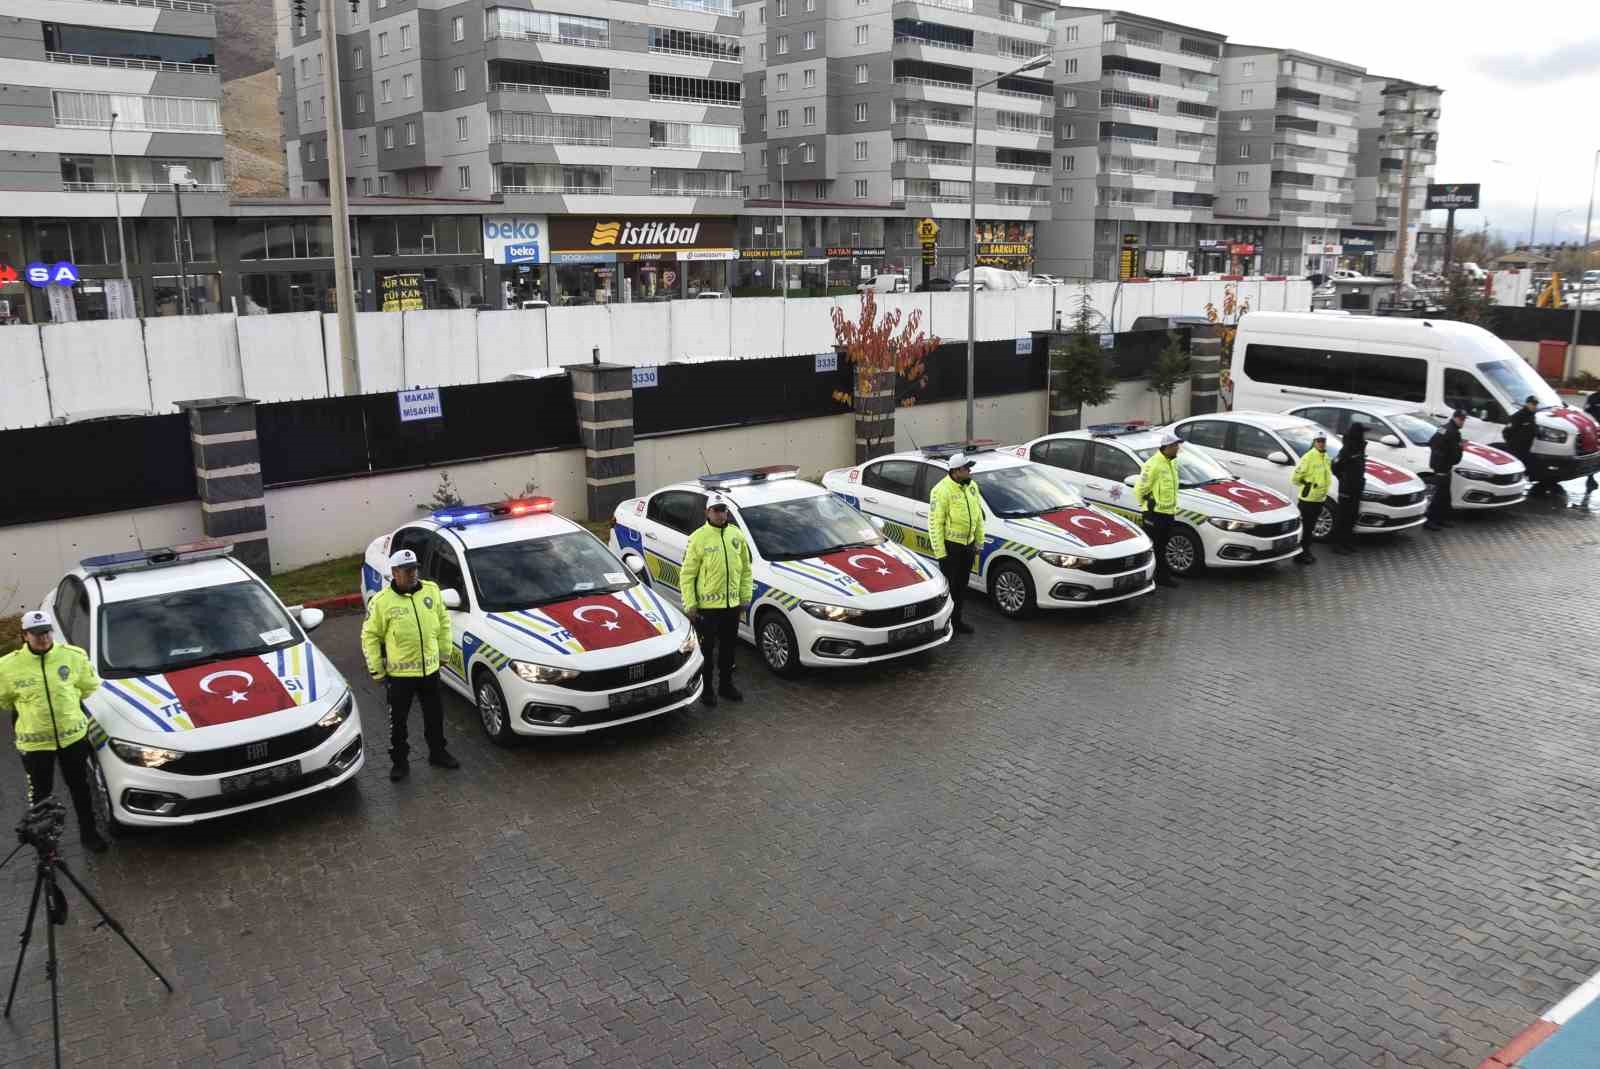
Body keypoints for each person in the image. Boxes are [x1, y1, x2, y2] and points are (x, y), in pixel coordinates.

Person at [0, 610, 108, 852]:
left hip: (73, 739)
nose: (43, 637)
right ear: (24, 636)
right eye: (36, 633)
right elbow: (4, 701)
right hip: (36, 746)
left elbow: (87, 688)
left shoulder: (73, 656)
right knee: (41, 796)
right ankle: (46, 845)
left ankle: (89, 835)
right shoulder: (7, 667)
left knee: (80, 788)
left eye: (46, 631)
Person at [362, 549, 459, 782]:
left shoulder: (431, 591)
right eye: (407, 570)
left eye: (415, 568)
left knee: (435, 716)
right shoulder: (382, 602)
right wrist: (376, 669)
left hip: (431, 671)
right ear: (395, 573)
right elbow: (370, 636)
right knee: (399, 722)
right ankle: (400, 762)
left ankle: (438, 753)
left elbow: (443, 623)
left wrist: (445, 652)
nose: (413, 573)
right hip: (400, 676)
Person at [680, 494, 753, 707]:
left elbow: (746, 570)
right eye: (716, 510)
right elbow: (687, 574)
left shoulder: (736, 535)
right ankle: (707, 689)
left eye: (723, 510)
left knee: (729, 649)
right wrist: (690, 604)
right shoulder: (698, 538)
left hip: (732, 606)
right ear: (707, 512)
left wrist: (745, 597)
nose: (721, 514)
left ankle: (726, 685)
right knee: (707, 650)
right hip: (707, 609)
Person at [929, 452, 986, 631]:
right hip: (951, 547)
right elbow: (935, 523)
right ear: (956, 471)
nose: (970, 471)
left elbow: (978, 517)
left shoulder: (972, 486)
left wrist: (979, 542)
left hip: (968, 546)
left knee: (962, 587)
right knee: (950, 589)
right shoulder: (941, 490)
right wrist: (941, 553)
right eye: (966, 468)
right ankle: (945, 624)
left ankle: (957, 621)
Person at [1134, 432, 1182, 588]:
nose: (1178, 448)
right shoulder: (1153, 464)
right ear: (1167, 447)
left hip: (1168, 513)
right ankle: (1152, 579)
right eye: (1175, 445)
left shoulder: (1171, 462)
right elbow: (1140, 488)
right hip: (1155, 514)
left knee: (1163, 547)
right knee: (1155, 548)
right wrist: (1146, 506)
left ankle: (1161, 577)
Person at [1290, 430, 1332, 565]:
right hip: (1308, 500)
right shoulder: (1308, 457)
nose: (1321, 443)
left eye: (1323, 441)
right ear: (1314, 442)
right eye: (1318, 441)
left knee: (1311, 528)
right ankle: (1300, 554)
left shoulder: (1325, 457)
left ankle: (1306, 551)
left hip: (1319, 499)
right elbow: (1295, 478)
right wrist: (1306, 484)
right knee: (1306, 528)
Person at [1425, 409, 1468, 530]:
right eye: (1461, 419)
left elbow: (1434, 442)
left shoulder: (1448, 429)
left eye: (1464, 419)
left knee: (1445, 496)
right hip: (1442, 469)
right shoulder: (1449, 430)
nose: (1462, 422)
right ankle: (1430, 521)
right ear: (1455, 417)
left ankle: (1441, 519)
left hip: (1446, 468)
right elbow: (1434, 444)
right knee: (1439, 496)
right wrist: (1442, 462)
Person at [1330, 421, 1368, 555]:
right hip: (1347, 490)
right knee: (1343, 518)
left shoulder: (1359, 449)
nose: (1364, 436)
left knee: (1352, 516)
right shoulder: (1347, 450)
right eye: (1362, 433)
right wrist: (1344, 479)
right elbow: (1335, 466)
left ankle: (1346, 542)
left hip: (1356, 488)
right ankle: (1337, 544)